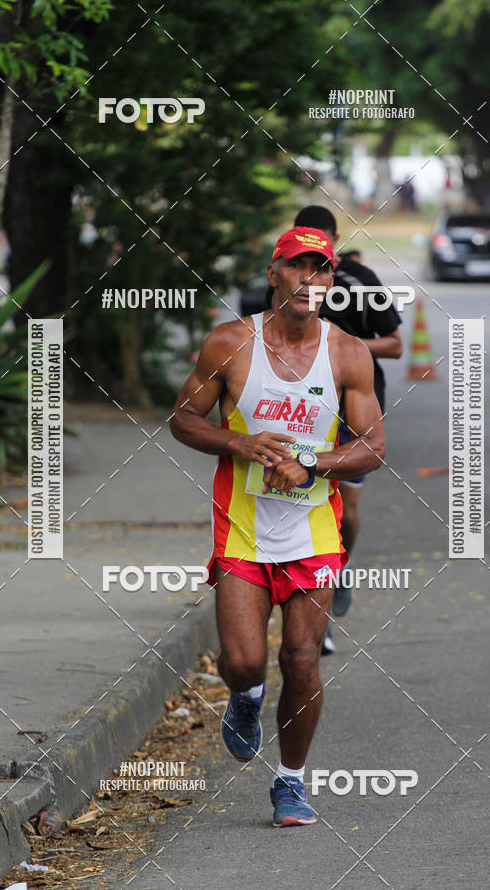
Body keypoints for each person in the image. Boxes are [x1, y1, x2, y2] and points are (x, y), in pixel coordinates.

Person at [170, 226, 385, 827]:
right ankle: (245, 696)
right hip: (243, 528)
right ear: (274, 274)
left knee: (301, 658)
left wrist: (311, 460)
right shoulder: (230, 345)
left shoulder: (347, 354)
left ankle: (290, 782)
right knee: (242, 662)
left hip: (313, 530)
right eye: (297, 267)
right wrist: (237, 440)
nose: (309, 281)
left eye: (321, 271)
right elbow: (183, 421)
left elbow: (372, 448)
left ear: (331, 283)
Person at [291, 206, 403, 653]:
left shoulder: (358, 279)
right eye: (302, 246)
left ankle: (337, 571)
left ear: (335, 242)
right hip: (300, 408)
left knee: (345, 510)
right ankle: (314, 612)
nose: (309, 265)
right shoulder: (286, 276)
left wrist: (338, 350)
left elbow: (395, 344)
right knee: (300, 501)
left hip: (353, 409)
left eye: (321, 247)